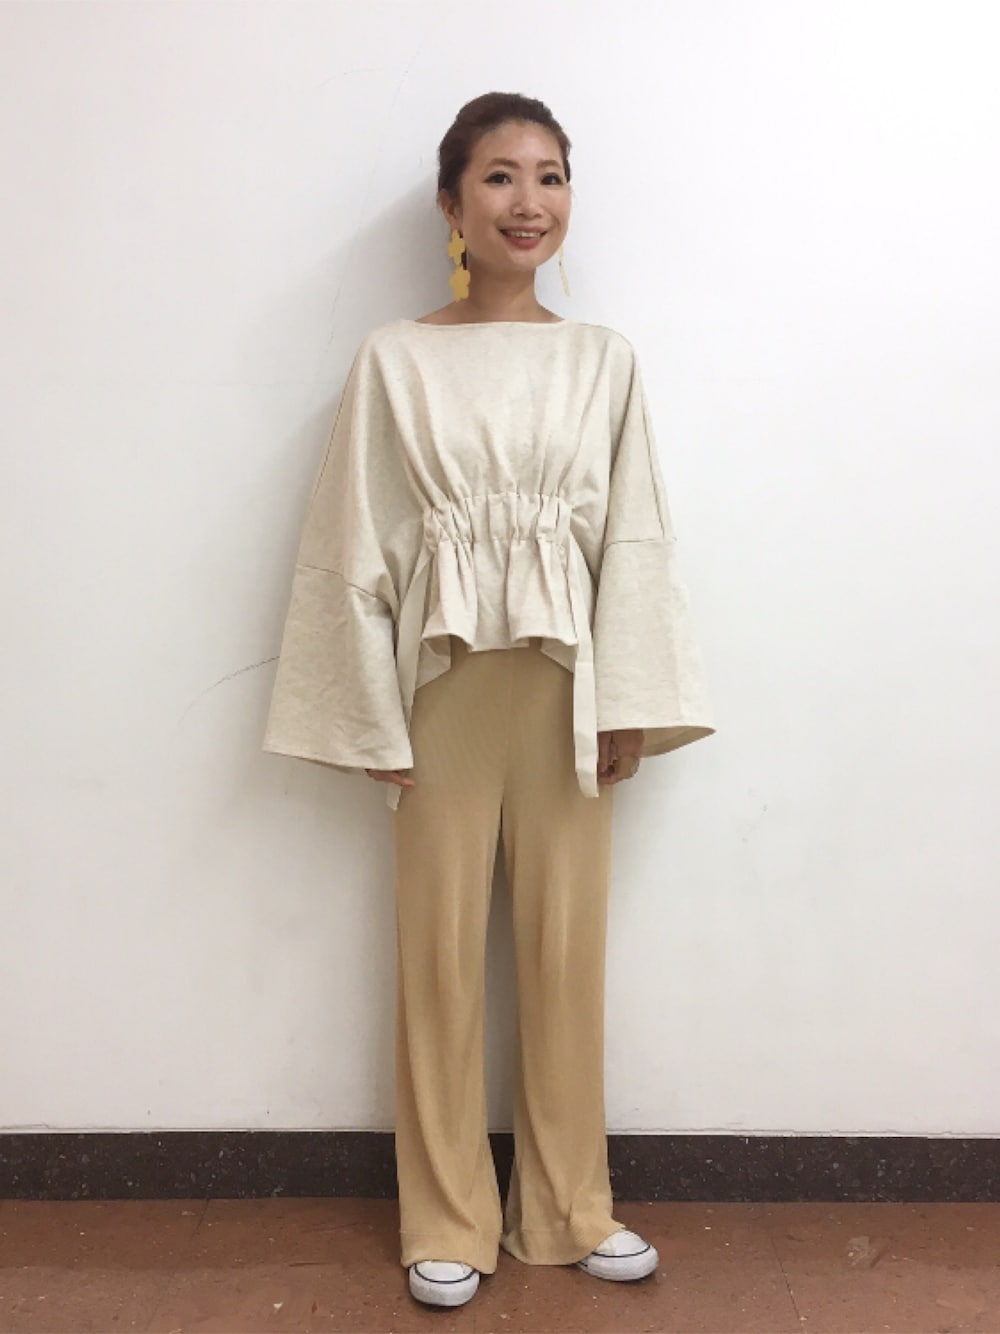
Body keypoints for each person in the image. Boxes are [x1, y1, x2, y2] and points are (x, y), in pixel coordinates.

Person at [263, 91, 715, 1310]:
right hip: (441, 684)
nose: (530, 201)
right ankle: (446, 1215)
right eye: (502, 176)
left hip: (568, 687)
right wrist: (364, 711)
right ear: (452, 204)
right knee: (438, 957)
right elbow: (350, 538)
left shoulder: (602, 358)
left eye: (551, 176)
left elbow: (635, 539)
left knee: (566, 954)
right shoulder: (393, 358)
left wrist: (628, 698)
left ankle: (569, 1207)